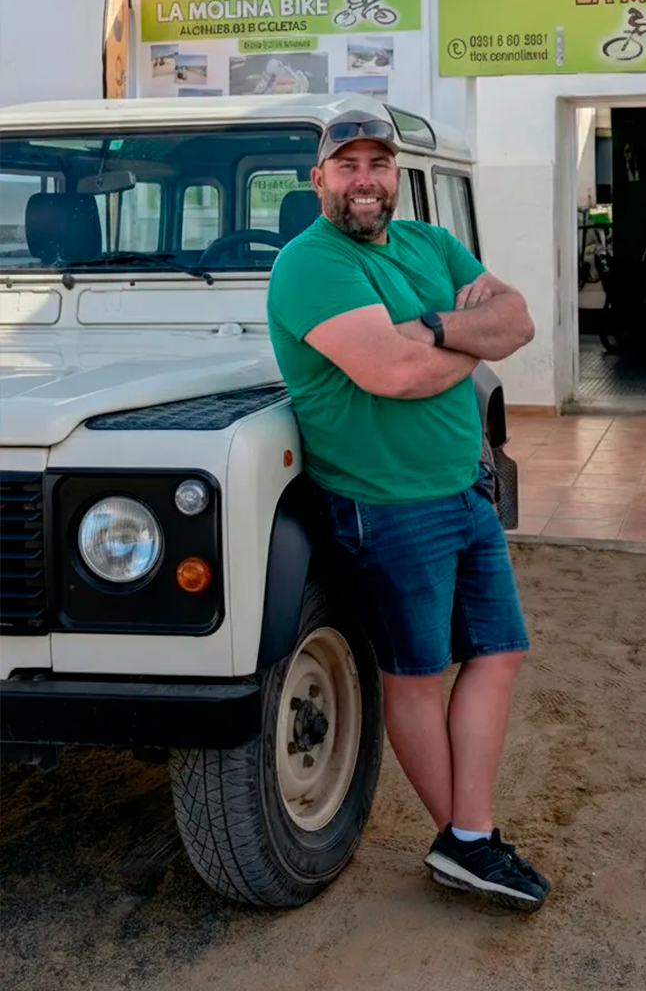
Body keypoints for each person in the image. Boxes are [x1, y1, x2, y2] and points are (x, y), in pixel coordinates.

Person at [267, 108, 550, 911]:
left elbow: (519, 319)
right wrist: (469, 338)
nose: (365, 179)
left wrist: (430, 329)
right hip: (387, 508)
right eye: (346, 164)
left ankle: (468, 836)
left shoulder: (427, 243)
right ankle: (468, 839)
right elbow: (391, 375)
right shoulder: (309, 264)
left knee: (498, 653)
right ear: (318, 178)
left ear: (397, 174)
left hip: (464, 487)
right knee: (417, 677)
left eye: (378, 164)